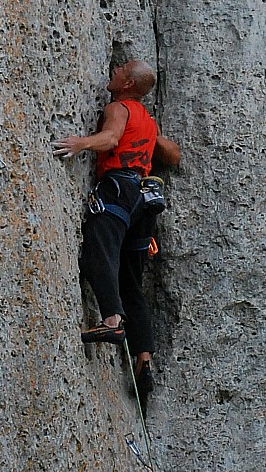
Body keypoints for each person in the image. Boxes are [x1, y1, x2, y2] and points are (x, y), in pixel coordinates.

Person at [56, 58, 181, 408]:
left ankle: (111, 320)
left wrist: (79, 143)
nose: (113, 71)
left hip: (118, 189)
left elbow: (111, 139)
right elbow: (173, 155)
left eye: (120, 69)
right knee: (131, 282)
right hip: (144, 201)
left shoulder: (119, 107)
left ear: (127, 84)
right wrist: (153, 139)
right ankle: (144, 359)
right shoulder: (146, 121)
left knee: (100, 250)